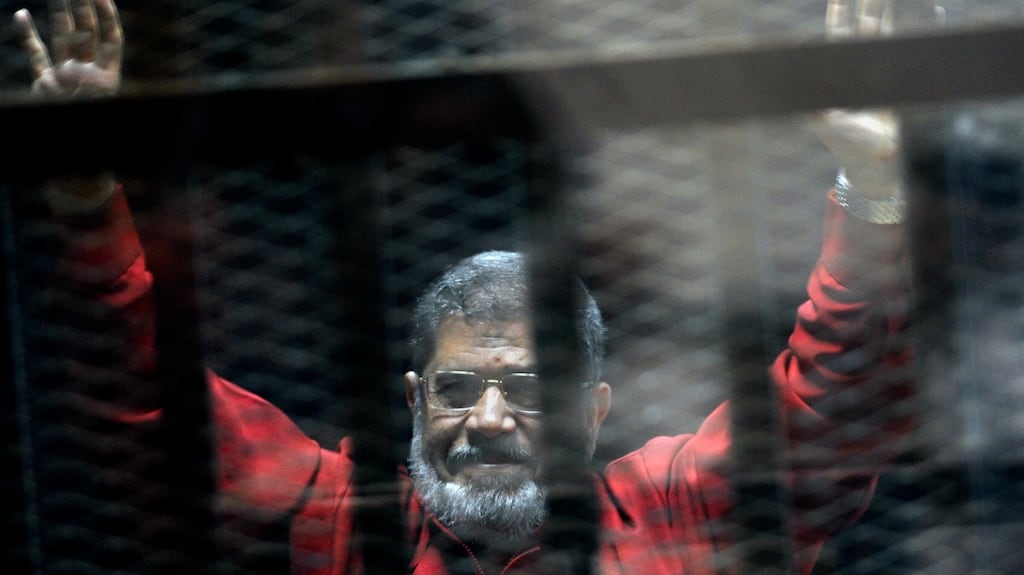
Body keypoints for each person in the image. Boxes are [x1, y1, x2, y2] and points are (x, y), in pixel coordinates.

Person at [12, 0, 920, 574]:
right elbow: (149, 408)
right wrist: (88, 202)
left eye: (526, 389)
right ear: (413, 399)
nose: (486, 419)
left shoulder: (676, 509)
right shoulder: (334, 519)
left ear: (595, 410)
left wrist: (872, 191)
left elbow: (829, 413)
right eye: (457, 388)